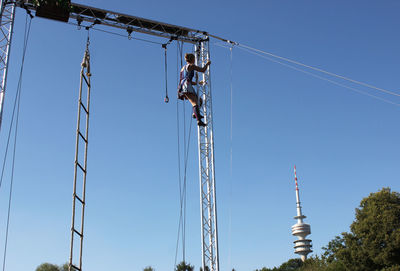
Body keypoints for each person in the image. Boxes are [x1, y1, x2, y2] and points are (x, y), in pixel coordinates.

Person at [178, 53, 211, 127]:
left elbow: (185, 79)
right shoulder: (191, 66)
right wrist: (207, 64)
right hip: (186, 86)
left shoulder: (183, 68)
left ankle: (196, 114)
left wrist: (196, 82)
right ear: (192, 59)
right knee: (195, 103)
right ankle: (198, 120)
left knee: (200, 101)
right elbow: (203, 70)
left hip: (183, 85)